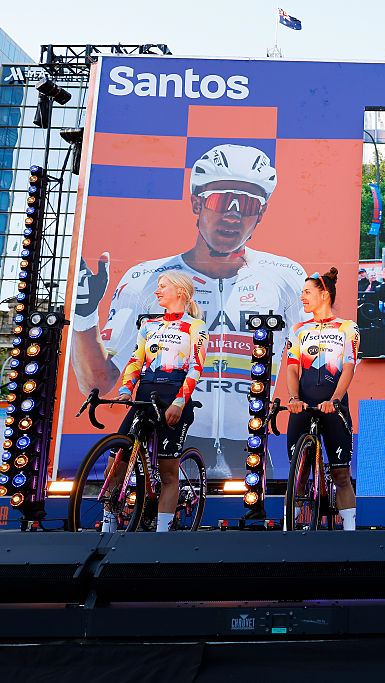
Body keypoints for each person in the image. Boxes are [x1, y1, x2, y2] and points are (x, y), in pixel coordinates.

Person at [73, 144, 305, 478]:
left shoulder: (287, 276)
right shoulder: (147, 279)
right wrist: (84, 317)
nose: (233, 214)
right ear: (197, 202)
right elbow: (98, 381)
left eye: (247, 204)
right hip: (169, 427)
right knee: (138, 505)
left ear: (262, 212)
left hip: (250, 443)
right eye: (222, 200)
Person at [110, 271, 207, 532]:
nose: (157, 291)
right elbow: (135, 360)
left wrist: (179, 403)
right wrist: (125, 390)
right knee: (116, 459)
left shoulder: (196, 326)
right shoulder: (148, 325)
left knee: (167, 472)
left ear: (181, 292)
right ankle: (107, 525)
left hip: (174, 397)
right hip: (144, 397)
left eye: (163, 286)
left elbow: (196, 367)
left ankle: (162, 533)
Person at [285, 268, 360, 530]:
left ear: (324, 294)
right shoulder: (298, 329)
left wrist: (336, 399)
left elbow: (349, 366)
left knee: (340, 474)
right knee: (299, 475)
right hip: (303, 404)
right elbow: (293, 368)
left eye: (307, 292)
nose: (302, 297)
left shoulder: (348, 328)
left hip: (334, 406)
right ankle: (290, 528)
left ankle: (350, 530)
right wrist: (293, 397)